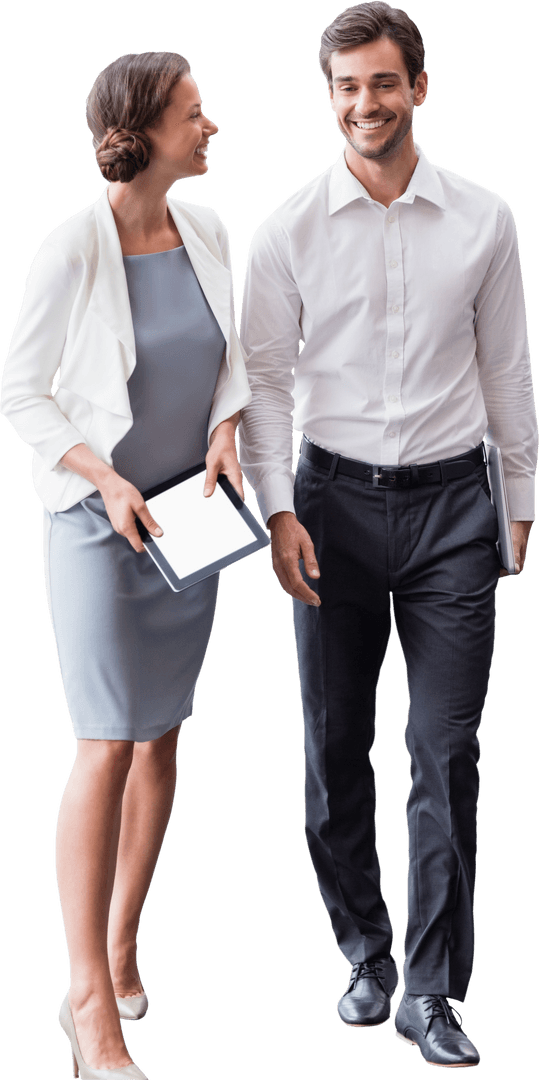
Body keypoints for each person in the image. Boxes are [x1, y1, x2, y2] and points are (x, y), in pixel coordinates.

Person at [239, 2, 537, 1070]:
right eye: (344, 86)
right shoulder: (285, 231)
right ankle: (362, 951)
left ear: (419, 86)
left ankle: (428, 986)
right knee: (331, 747)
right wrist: (275, 510)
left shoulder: (484, 219)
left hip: (457, 508)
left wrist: (518, 501)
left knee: (443, 751)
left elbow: (505, 364)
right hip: (328, 506)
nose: (362, 103)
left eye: (380, 83)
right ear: (328, 95)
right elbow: (264, 387)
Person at [1, 50, 250, 1080]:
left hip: (191, 521)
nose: (212, 127)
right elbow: (22, 393)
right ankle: (84, 1006)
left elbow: (226, 359)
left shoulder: (207, 229)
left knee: (159, 741)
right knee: (103, 743)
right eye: (195, 115)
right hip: (103, 530)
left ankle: (122, 942)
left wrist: (229, 431)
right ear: (144, 131)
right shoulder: (72, 249)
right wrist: (103, 479)